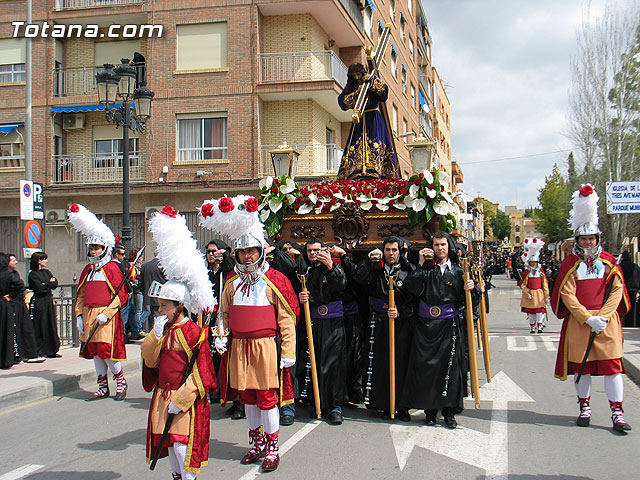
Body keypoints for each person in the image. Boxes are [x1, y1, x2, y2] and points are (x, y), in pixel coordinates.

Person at [204, 195, 299, 472]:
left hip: (266, 347)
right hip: (238, 347)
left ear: (260, 252)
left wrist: (289, 351)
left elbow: (286, 319)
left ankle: (272, 447)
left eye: (252, 251)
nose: (247, 256)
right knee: (247, 397)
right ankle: (256, 443)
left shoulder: (275, 280)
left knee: (267, 397)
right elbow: (223, 313)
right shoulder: (231, 283)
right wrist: (220, 335)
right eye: (242, 252)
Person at [142, 205, 217, 480]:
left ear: (180, 306)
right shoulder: (162, 328)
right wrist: (155, 336)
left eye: (165, 306)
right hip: (163, 397)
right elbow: (150, 361)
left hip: (184, 401)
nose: (160, 310)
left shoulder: (194, 334)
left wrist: (182, 399)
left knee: (184, 452)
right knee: (171, 451)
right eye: (159, 305)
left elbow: (203, 374)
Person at [551, 184, 631, 432]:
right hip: (580, 322)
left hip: (607, 323)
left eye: (591, 238)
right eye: (584, 238)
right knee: (581, 367)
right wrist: (586, 317)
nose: (588, 242)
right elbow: (567, 293)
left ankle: (617, 412)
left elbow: (617, 290)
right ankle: (584, 407)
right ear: (577, 240)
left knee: (612, 368)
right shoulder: (570, 264)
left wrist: (604, 316)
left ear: (598, 239)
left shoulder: (608, 262)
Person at [403, 231, 477, 429]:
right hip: (426, 326)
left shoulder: (460, 271)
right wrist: (419, 265)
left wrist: (474, 288)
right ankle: (430, 410)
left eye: (443, 245)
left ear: (449, 246)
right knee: (427, 368)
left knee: (451, 369)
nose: (440, 248)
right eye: (436, 245)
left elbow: (472, 302)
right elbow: (410, 289)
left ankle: (449, 411)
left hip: (449, 325)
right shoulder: (427, 269)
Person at [68, 204, 129, 401]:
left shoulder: (111, 268)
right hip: (88, 315)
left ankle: (120, 381)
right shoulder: (87, 270)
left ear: (104, 249)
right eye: (91, 248)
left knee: (106, 350)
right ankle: (102, 385)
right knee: (94, 352)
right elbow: (81, 295)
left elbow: (121, 296)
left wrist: (107, 313)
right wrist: (79, 315)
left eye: (96, 248)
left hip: (106, 317)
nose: (93, 251)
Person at [353, 237, 416, 421]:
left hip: (399, 323)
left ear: (400, 252)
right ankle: (382, 403)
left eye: (394, 250)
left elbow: (413, 299)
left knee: (400, 362)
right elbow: (360, 279)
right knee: (379, 363)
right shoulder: (376, 271)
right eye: (387, 250)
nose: (391, 253)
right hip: (377, 321)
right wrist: (368, 259)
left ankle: (401, 406)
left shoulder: (407, 272)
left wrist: (401, 312)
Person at [298, 239, 348, 425]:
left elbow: (341, 285)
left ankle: (335, 406)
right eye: (310, 251)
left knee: (333, 365)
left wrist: (330, 266)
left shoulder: (333, 267)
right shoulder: (306, 271)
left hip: (333, 323)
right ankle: (317, 402)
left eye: (317, 250)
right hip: (314, 323)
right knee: (315, 363)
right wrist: (303, 297)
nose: (314, 254)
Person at [337, 62, 399, 180]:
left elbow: (384, 93)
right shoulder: (352, 87)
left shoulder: (371, 80)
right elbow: (342, 103)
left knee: (376, 145)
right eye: (354, 75)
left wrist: (371, 80)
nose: (357, 77)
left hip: (374, 120)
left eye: (359, 74)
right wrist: (357, 93)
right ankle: (357, 172)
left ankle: (377, 170)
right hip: (358, 121)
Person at [0, 253, 43, 367]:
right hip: (9, 304)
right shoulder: (8, 275)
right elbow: (20, 285)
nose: (16, 262)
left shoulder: (11, 274)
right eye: (13, 260)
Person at [28, 251, 61, 358]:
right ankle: (40, 349)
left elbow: (55, 283)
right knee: (40, 324)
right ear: (38, 261)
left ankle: (52, 349)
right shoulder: (33, 274)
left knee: (50, 323)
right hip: (39, 301)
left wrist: (47, 284)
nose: (46, 261)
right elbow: (39, 288)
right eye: (43, 259)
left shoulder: (46, 272)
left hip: (48, 300)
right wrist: (48, 283)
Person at [519, 238, 550, 334]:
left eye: (535, 263)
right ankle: (532, 326)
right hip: (530, 293)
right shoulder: (527, 273)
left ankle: (540, 325)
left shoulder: (540, 273)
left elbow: (545, 284)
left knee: (539, 310)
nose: (533, 264)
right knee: (531, 311)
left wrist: (546, 296)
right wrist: (527, 292)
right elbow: (522, 284)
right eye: (532, 263)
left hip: (539, 293)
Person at [140, 257, 168, 333]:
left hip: (148, 296)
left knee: (151, 320)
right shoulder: (163, 266)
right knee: (161, 319)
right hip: (161, 297)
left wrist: (144, 293)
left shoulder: (145, 266)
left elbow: (141, 283)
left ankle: (151, 336)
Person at [619, 251, 640, 327]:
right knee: (633, 309)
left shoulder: (620, 267)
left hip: (623, 291)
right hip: (634, 291)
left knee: (624, 307)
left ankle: (624, 324)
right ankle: (633, 324)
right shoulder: (635, 266)